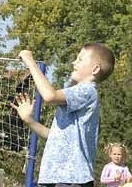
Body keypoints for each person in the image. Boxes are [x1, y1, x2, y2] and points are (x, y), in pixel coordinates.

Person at [10, 43, 115, 187]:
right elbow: (53, 135)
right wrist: (29, 120)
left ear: (95, 69)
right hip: (52, 177)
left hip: (72, 179)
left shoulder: (88, 91)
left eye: (80, 59)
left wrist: (30, 62)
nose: (74, 62)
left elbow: (49, 95)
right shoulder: (78, 96)